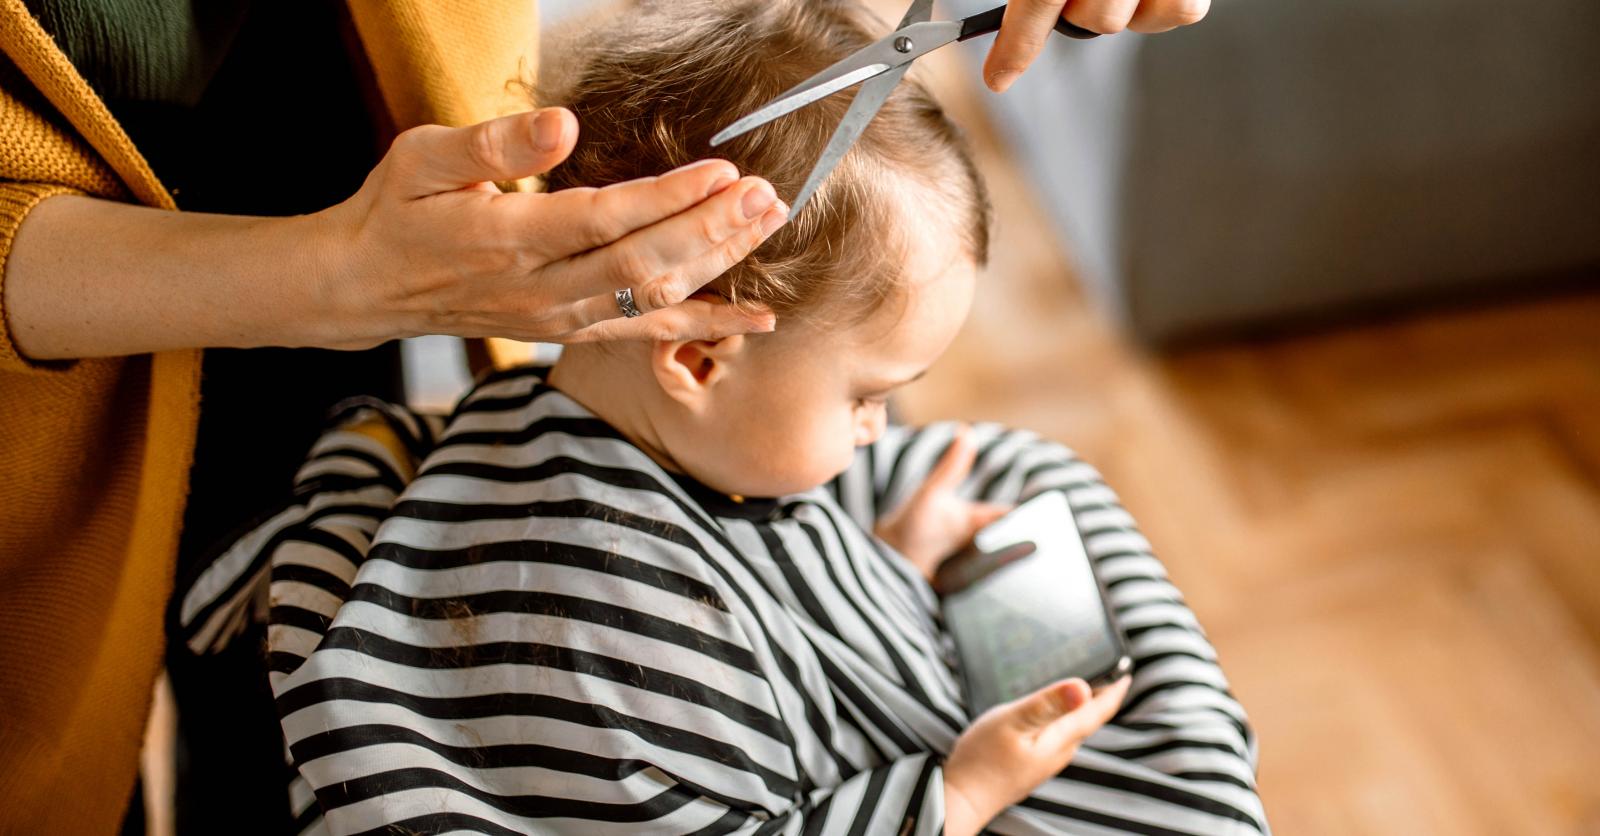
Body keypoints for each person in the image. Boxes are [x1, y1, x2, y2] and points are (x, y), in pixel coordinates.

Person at [0, 0, 1212, 831]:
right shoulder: (602, 618)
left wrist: (872, 576)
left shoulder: (610, 456)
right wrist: (952, 793)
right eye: (868, 396)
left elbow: (763, 618)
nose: (879, 437)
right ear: (690, 354)